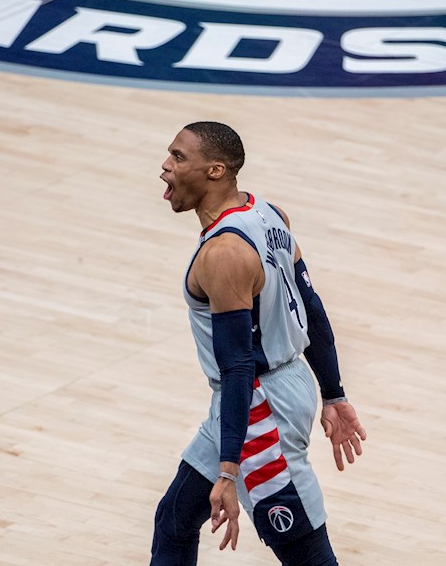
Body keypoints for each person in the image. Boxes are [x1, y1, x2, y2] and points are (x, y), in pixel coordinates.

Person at [151, 121, 366, 565]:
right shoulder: (268, 213)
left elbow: (238, 365)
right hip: (265, 391)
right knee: (174, 519)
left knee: (305, 554)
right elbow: (312, 308)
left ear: (215, 170)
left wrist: (230, 471)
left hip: (258, 407)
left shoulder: (224, 255)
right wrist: (333, 392)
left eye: (178, 157)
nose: (165, 167)